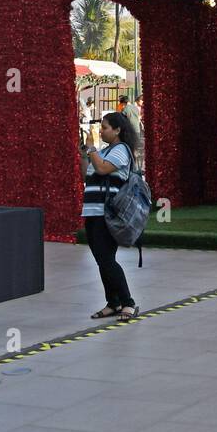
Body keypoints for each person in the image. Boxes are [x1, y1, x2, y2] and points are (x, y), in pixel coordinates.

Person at [80, 112, 139, 322]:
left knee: (107, 259)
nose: (102, 131)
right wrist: (85, 152)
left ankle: (128, 302)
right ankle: (112, 303)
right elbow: (86, 174)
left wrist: (93, 149)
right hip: (92, 212)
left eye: (105, 128)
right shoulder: (105, 151)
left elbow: (103, 169)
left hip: (107, 214)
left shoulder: (121, 150)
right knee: (101, 260)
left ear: (117, 130)